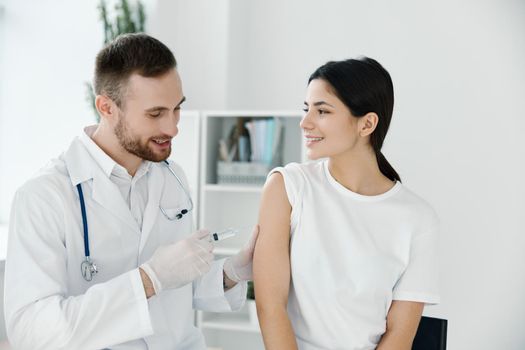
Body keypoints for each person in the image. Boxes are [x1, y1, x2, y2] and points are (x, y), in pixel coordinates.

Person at [4, 33, 258, 350]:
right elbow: (33, 332)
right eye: (155, 114)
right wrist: (149, 279)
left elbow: (175, 291)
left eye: (176, 108)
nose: (173, 128)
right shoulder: (44, 197)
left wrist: (232, 273)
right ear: (107, 107)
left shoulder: (172, 177)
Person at [254, 57, 440, 350]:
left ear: (366, 123)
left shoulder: (417, 219)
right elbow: (270, 307)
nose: (305, 122)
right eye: (306, 109)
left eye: (322, 111)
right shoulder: (287, 187)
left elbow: (400, 335)